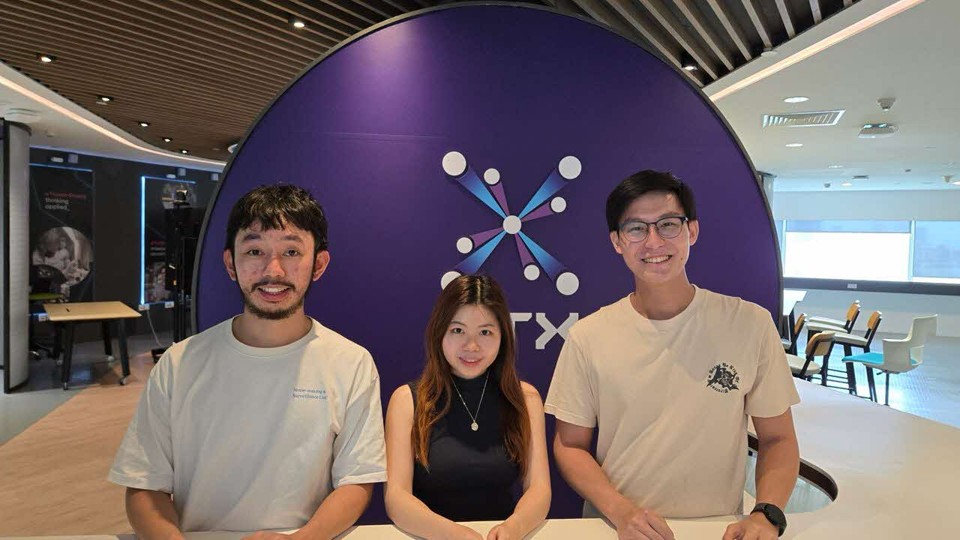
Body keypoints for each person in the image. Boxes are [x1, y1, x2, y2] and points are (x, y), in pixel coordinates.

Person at [109, 184, 387, 539]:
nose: (273, 270)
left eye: (291, 251)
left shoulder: (351, 363)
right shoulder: (180, 364)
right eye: (254, 250)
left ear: (318, 264)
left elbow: (356, 482)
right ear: (230, 263)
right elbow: (144, 486)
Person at [545, 171, 800, 540]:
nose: (653, 241)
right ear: (617, 241)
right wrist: (622, 512)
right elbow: (569, 445)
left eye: (667, 225)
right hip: (617, 529)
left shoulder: (749, 324)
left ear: (691, 231)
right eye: (636, 229)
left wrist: (766, 514)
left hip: (718, 529)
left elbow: (778, 439)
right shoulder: (589, 336)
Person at [384, 274, 551, 540]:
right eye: (458, 330)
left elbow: (539, 489)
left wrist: (513, 528)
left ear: (503, 337)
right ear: (440, 332)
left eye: (485, 332)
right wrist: (456, 535)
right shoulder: (407, 401)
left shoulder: (525, 398)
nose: (471, 346)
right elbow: (396, 497)